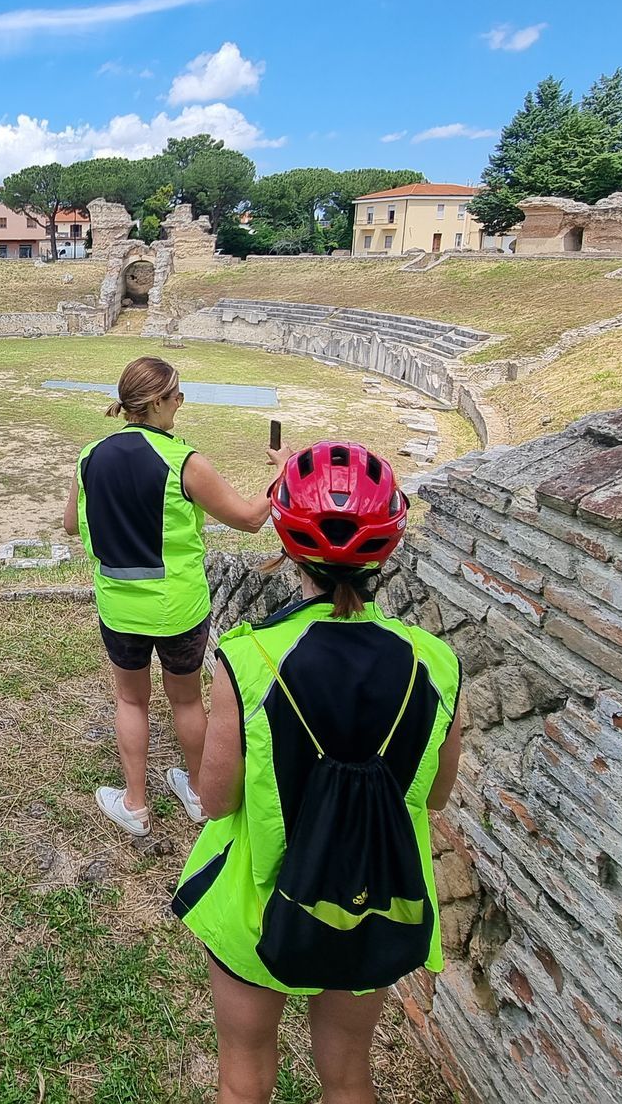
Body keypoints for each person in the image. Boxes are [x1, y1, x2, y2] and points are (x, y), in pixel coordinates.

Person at [173, 441, 463, 1104]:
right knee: (350, 1073)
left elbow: (215, 802)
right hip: (373, 901)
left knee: (243, 1069)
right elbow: (438, 794)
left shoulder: (248, 662)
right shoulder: (436, 664)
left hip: (258, 906)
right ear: (384, 554)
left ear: (285, 544)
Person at [62, 356, 290, 837]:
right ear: (160, 402)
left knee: (132, 700)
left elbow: (69, 525)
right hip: (180, 606)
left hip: (119, 605)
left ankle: (135, 805)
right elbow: (251, 518)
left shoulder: (90, 456)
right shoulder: (184, 461)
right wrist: (283, 473)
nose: (181, 404)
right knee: (187, 701)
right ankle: (201, 797)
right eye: (177, 396)